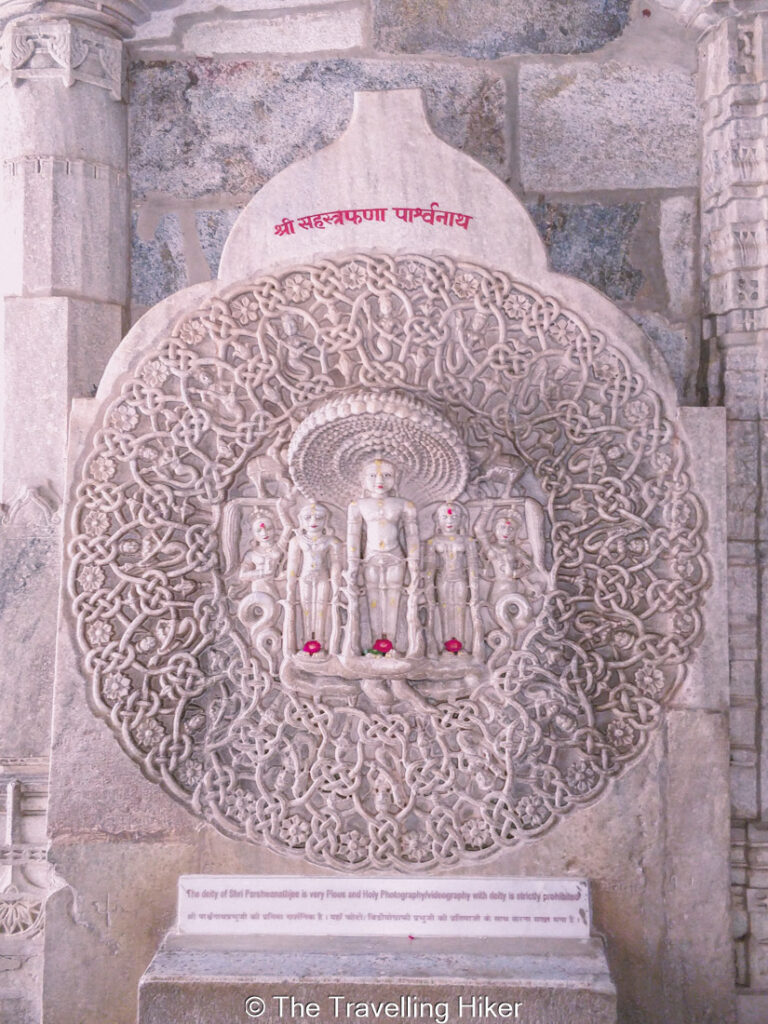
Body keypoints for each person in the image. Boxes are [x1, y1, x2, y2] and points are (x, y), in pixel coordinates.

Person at [345, 458, 421, 657]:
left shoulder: (404, 505)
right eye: (373, 475)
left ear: (396, 479)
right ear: (363, 480)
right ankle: (375, 644)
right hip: (370, 557)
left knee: (393, 600)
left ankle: (392, 644)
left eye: (387, 475)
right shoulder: (358, 505)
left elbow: (412, 536)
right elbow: (353, 536)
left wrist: (414, 564)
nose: (380, 479)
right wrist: (353, 563)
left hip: (396, 556)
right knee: (374, 601)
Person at [284, 502, 342, 656]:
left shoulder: (331, 541)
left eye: (319, 518)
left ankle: (320, 644)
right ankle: (307, 643)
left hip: (323, 578)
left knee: (321, 610)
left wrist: (336, 586)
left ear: (326, 520)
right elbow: (293, 566)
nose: (313, 522)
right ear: (301, 521)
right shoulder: (297, 541)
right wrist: (290, 588)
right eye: (308, 518)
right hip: (305, 579)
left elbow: (336, 564)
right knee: (307, 610)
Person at [424, 502, 482, 656]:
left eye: (453, 517)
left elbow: (472, 567)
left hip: (460, 579)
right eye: (445, 517)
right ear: (437, 520)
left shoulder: (467, 541)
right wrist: (428, 588)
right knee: (444, 611)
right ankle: (446, 646)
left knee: (459, 610)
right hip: (443, 580)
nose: (449, 521)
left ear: (461, 520)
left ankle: (460, 645)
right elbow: (430, 568)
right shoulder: (433, 542)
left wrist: (475, 590)